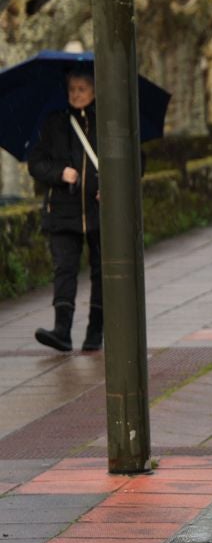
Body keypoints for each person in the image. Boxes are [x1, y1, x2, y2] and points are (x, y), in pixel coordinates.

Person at [28, 68, 103, 352]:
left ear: (95, 90)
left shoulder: (108, 122)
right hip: (62, 211)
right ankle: (62, 330)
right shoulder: (54, 124)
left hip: (99, 213)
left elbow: (136, 161)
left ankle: (95, 330)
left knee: (102, 272)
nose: (76, 94)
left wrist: (112, 186)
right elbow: (35, 163)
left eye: (82, 89)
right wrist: (61, 173)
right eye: (72, 89)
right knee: (64, 269)